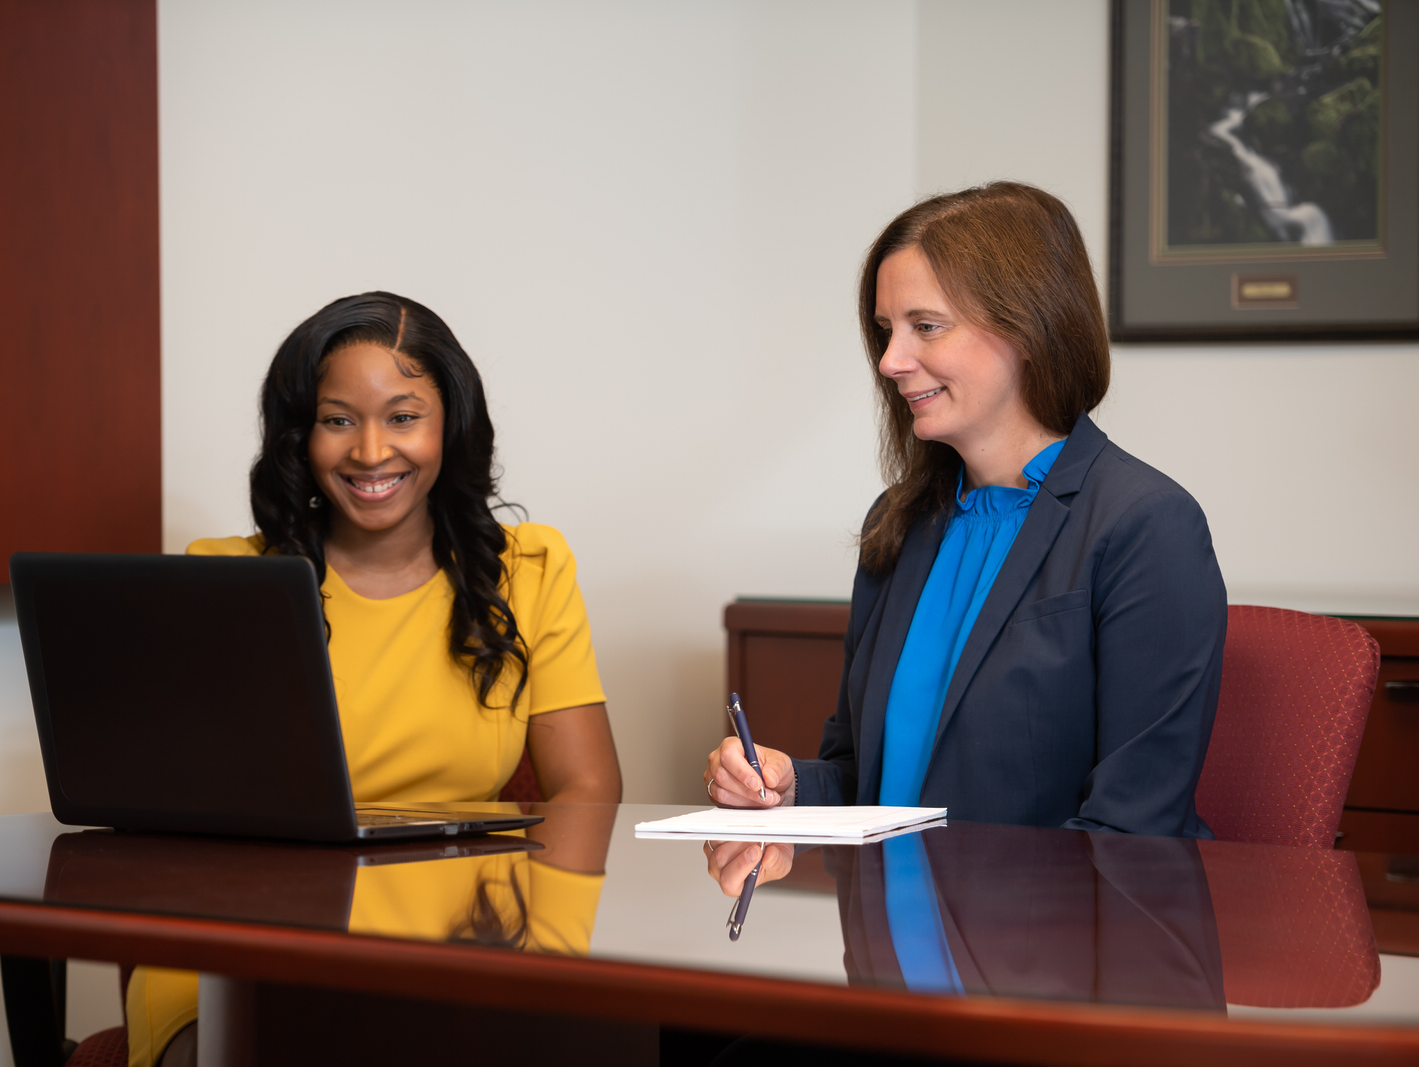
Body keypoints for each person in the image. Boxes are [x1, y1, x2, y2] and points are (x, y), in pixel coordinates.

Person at [129, 292, 622, 1067]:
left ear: (449, 425)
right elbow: (175, 814)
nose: (369, 451)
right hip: (251, 934)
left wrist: (544, 955)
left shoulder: (529, 568)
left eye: (402, 416)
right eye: (336, 419)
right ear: (299, 435)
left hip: (465, 933)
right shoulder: (225, 578)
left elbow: (586, 786)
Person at [703, 182, 1226, 839]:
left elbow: (1132, 830)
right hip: (888, 933)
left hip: (1056, 938)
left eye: (925, 326)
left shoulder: (1146, 525)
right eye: (886, 330)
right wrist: (786, 785)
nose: (891, 361)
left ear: (1029, 327)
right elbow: (864, 776)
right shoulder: (897, 522)